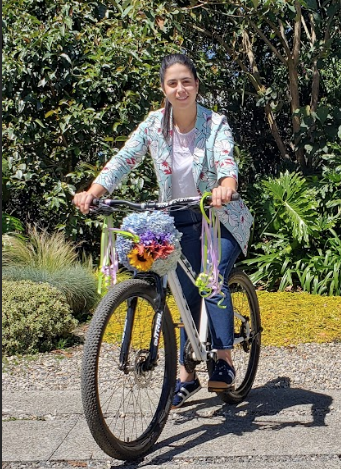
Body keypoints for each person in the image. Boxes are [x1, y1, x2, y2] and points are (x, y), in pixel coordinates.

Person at [74, 53, 253, 408]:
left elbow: (226, 159)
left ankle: (225, 360)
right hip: (179, 218)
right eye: (172, 83)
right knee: (185, 295)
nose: (180, 88)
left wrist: (226, 184)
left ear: (196, 85)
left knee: (210, 278)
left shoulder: (215, 123)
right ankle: (188, 373)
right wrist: (94, 191)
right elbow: (125, 159)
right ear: (163, 88)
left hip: (219, 217)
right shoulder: (154, 125)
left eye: (186, 81)